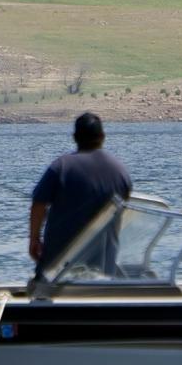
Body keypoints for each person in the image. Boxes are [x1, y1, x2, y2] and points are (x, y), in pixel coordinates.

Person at [27, 112, 132, 277]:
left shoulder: (60, 167)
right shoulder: (120, 171)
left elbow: (38, 204)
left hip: (58, 271)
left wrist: (34, 239)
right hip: (104, 268)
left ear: (75, 137)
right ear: (102, 136)